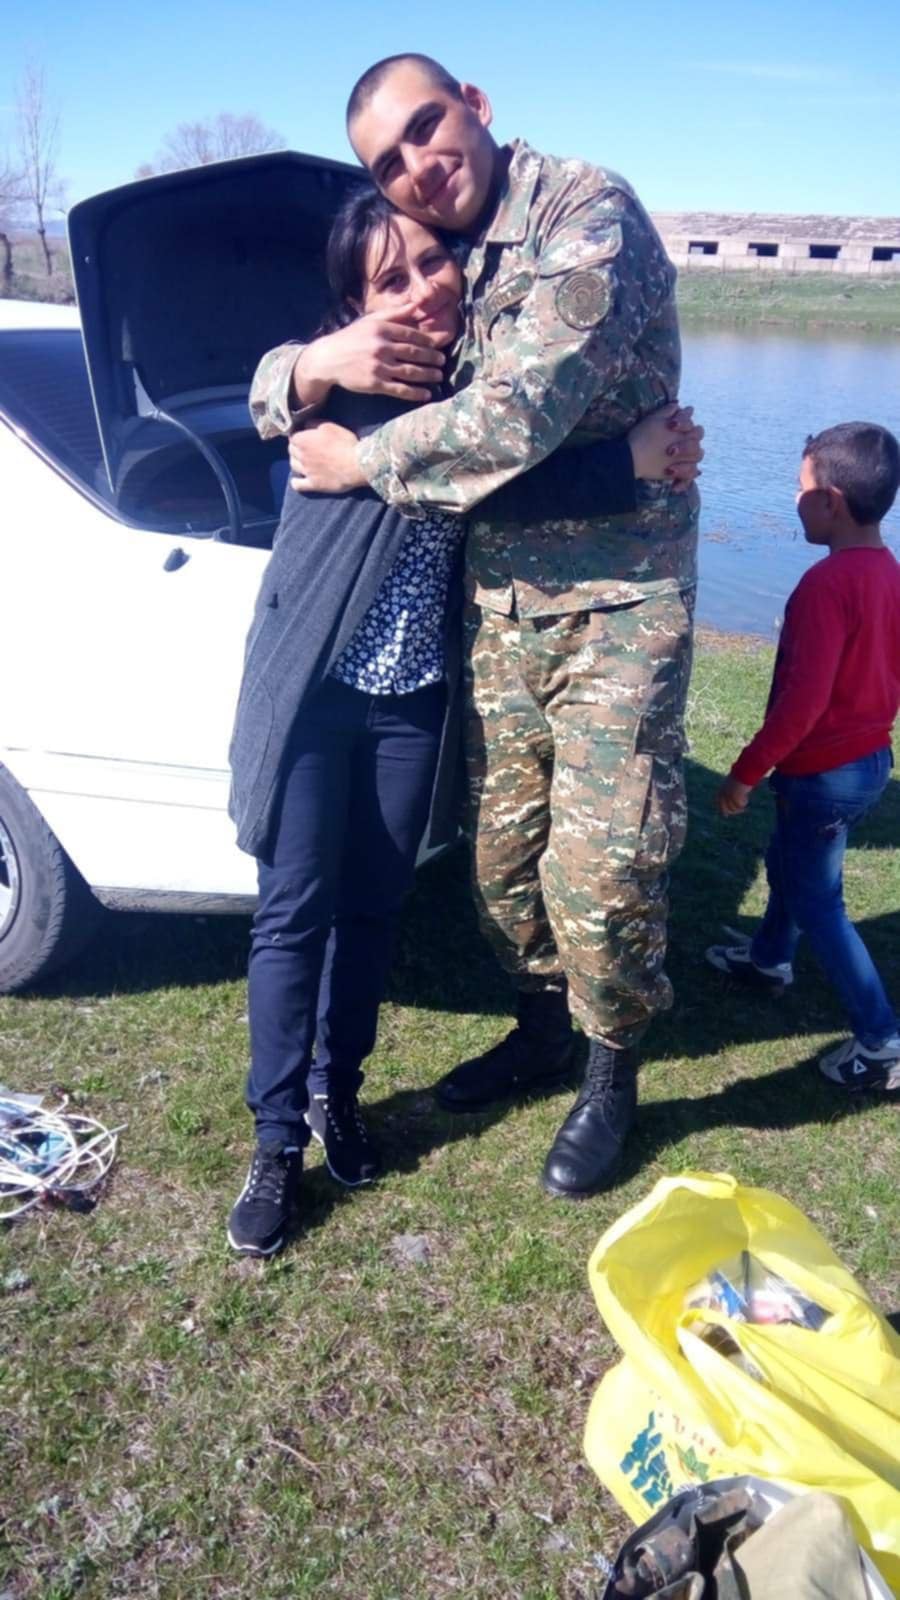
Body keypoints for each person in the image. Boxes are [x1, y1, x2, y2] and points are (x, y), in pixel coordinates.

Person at [250, 53, 701, 1199]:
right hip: (498, 608)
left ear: (478, 105)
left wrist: (360, 461)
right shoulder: (449, 269)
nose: (416, 164)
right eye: (386, 162)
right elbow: (299, 381)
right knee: (501, 867)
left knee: (604, 862)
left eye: (426, 126)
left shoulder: (583, 214)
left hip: (617, 603)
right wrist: (307, 367)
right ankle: (542, 1028)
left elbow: (511, 420)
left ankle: (610, 1072)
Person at [708, 422, 900, 1096]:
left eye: (800, 488)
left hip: (824, 773)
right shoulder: (888, 572)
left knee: (820, 901)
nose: (793, 500)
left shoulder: (826, 585)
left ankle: (882, 1042)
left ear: (831, 502)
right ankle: (767, 960)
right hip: (868, 762)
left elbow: (802, 703)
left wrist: (745, 772)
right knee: (791, 863)